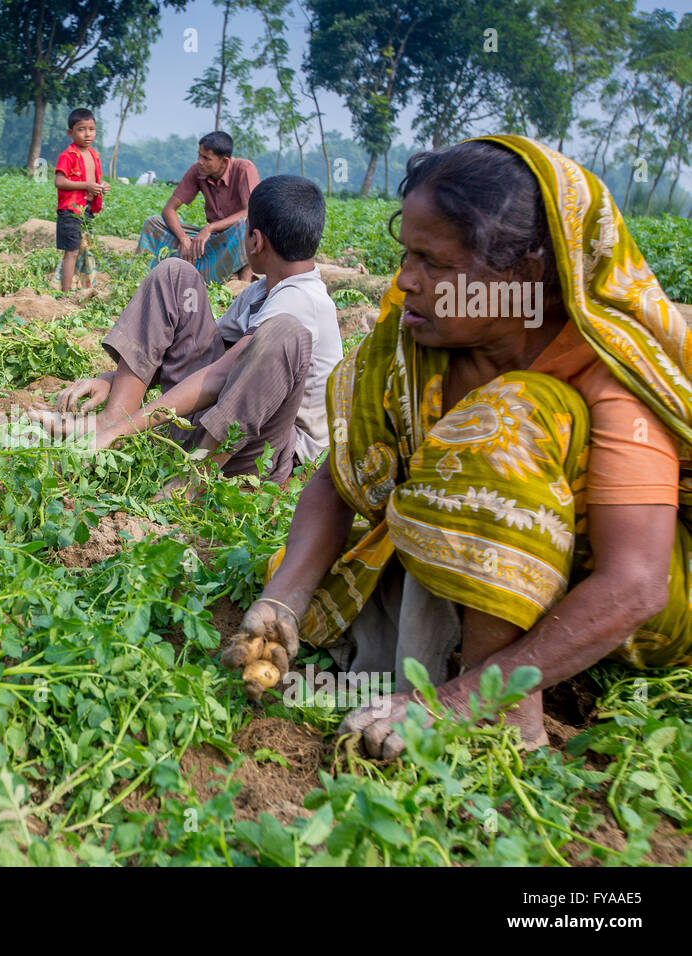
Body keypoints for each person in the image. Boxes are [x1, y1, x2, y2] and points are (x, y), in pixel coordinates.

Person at [223, 135, 692, 762]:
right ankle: (449, 668)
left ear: (523, 274)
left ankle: (501, 708)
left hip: (635, 613)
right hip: (482, 571)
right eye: (406, 255)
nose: (406, 282)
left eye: (434, 264)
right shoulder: (417, 338)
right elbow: (344, 477)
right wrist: (284, 599)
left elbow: (634, 585)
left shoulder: (604, 373)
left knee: (509, 418)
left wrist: (458, 701)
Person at [31, 175, 340, 495]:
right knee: (175, 274)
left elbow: (221, 374)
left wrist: (126, 431)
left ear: (255, 241)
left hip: (266, 454)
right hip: (223, 424)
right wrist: (112, 381)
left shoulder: (302, 303)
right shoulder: (261, 291)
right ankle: (110, 421)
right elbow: (198, 351)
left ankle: (193, 480)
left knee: (282, 333)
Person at [137, 131, 260, 285]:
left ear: (225, 161)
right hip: (211, 241)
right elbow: (169, 209)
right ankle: (148, 275)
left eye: (206, 158)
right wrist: (184, 239)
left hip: (233, 237)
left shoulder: (244, 169)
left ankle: (243, 285)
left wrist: (209, 228)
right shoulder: (197, 170)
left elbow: (250, 211)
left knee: (246, 227)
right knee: (153, 223)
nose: (200, 161)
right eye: (199, 155)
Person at [54, 108, 107, 292]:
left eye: (91, 129)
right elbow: (59, 181)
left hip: (88, 209)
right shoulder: (67, 156)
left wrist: (101, 187)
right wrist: (87, 186)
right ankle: (66, 293)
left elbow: (93, 181)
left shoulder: (94, 155)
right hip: (71, 211)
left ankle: (82, 287)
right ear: (71, 132)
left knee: (84, 248)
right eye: (81, 129)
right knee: (72, 251)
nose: (87, 134)